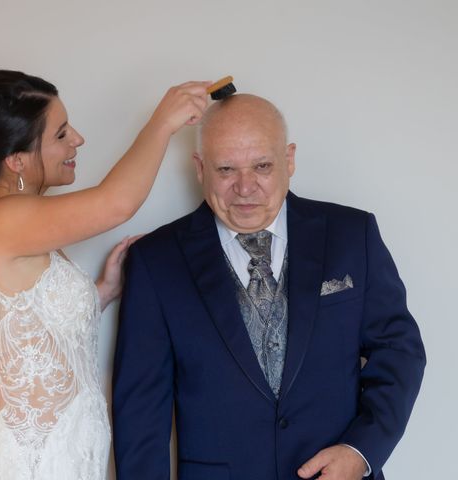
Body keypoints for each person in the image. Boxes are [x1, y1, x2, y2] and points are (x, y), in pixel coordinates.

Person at [113, 94, 425, 480]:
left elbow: (399, 352)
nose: (245, 188)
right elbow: (140, 411)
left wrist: (361, 451)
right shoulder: (155, 260)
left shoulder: (352, 234)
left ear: (289, 159)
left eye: (262, 166)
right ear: (199, 168)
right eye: (226, 169)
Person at [0, 70, 209, 479]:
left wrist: (100, 293)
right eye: (60, 134)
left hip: (67, 460)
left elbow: (34, 332)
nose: (78, 140)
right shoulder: (4, 220)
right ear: (16, 160)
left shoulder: (24, 225)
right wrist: (163, 122)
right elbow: (115, 204)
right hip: (33, 465)